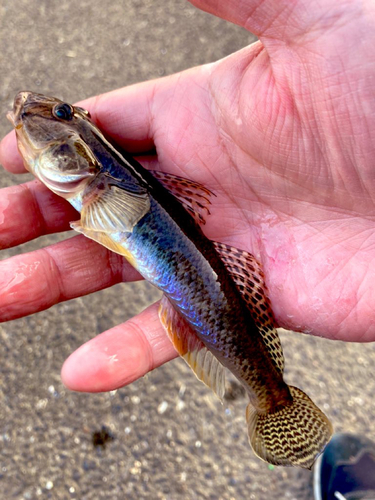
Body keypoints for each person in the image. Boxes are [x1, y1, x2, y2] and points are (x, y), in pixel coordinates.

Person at [0, 0, 374, 494]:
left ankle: (277, 402)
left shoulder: (104, 184)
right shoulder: (103, 183)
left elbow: (112, 218)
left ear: (82, 151)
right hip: (195, 272)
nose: (44, 113)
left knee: (192, 324)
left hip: (208, 286)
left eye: (65, 115)